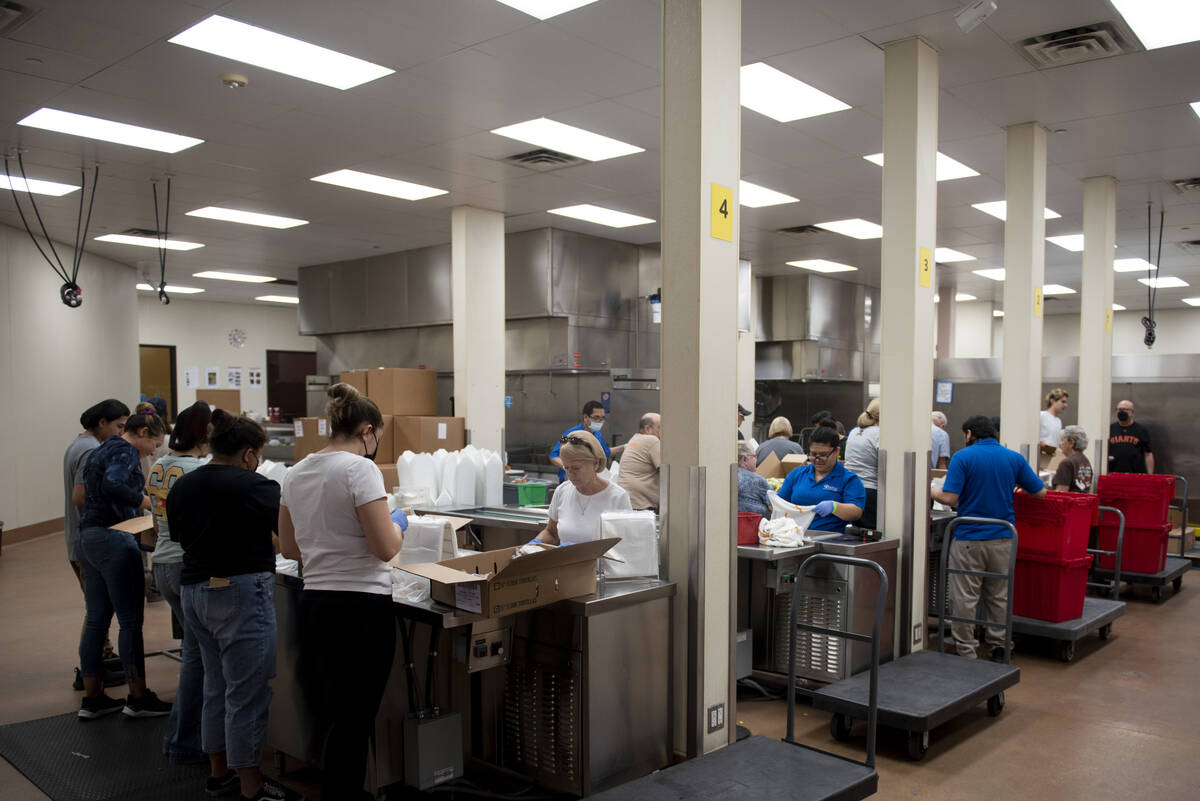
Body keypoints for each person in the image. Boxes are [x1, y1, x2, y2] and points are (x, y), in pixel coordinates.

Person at [279, 384, 404, 801]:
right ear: (367, 430)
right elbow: (385, 548)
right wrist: (400, 525)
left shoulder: (296, 471)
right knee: (356, 716)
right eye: (378, 438)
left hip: (315, 602)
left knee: (335, 711)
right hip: (361, 607)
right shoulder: (359, 470)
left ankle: (337, 790)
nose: (375, 446)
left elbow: (290, 548)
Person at [169, 411, 294, 801]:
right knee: (247, 693)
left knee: (215, 685)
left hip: (194, 592)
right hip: (240, 592)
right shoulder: (255, 485)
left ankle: (219, 772)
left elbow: (182, 535)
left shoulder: (184, 486)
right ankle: (251, 785)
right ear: (247, 453)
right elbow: (288, 540)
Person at [75, 409, 172, 719]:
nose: (154, 451)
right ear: (142, 432)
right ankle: (138, 695)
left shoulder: (103, 448)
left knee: (96, 619)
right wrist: (149, 503)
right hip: (114, 538)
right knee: (130, 621)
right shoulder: (125, 450)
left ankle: (93, 698)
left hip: (88, 538)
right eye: (154, 444)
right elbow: (114, 485)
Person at [931, 415, 1045, 661]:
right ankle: (1000, 645)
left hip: (969, 537)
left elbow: (950, 498)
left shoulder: (963, 457)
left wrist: (931, 490)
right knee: (999, 595)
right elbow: (1040, 491)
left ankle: (966, 649)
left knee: (965, 597)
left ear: (970, 433)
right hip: (1004, 538)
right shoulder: (1013, 458)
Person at [147, 401, 211, 765]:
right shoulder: (197, 471)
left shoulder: (159, 465)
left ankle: (184, 736)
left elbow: (157, 519)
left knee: (193, 653)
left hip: (161, 562)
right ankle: (185, 740)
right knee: (197, 659)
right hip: (185, 565)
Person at [64, 398, 129, 689]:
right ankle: (90, 670)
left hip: (81, 538)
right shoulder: (91, 450)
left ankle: (100, 662)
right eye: (118, 426)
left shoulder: (78, 445)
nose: (119, 433)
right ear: (101, 422)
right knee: (97, 611)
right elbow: (81, 496)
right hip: (91, 539)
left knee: (98, 610)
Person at [535, 430, 631, 545]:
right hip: (568, 562)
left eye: (576, 468)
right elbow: (551, 533)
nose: (570, 474)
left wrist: (584, 553)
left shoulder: (617, 497)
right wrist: (535, 543)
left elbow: (623, 545)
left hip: (599, 563)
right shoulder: (562, 491)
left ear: (595, 463)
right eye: (566, 468)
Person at [777, 420, 865, 533]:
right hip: (795, 536)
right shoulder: (797, 475)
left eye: (823, 455)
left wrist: (834, 507)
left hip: (831, 539)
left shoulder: (849, 479)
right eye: (813, 454)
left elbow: (856, 512)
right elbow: (781, 504)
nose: (817, 460)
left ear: (837, 451)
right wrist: (772, 500)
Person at [549, 401, 623, 482]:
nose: (599, 421)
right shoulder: (571, 434)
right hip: (570, 480)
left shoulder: (597, 435)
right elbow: (554, 456)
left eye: (602, 418)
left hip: (589, 480)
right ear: (585, 417)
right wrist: (570, 467)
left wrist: (625, 447)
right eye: (596, 418)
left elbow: (606, 452)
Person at [844, 399, 880, 529]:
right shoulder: (880, 434)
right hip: (870, 492)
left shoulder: (854, 431)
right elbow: (888, 465)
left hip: (849, 488)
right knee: (869, 536)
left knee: (856, 534)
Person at [615, 412, 661, 511]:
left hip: (627, 501)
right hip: (641, 504)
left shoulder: (634, 439)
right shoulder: (652, 440)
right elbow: (665, 470)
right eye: (659, 428)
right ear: (648, 429)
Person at [1108, 400, 1154, 474]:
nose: (1122, 412)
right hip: (1113, 474)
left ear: (1132, 412)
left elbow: (1148, 454)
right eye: (1119, 409)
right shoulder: (1109, 429)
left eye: (1125, 410)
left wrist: (1150, 475)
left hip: (1136, 474)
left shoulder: (1141, 430)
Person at [1053, 426, 1094, 493]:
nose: (1060, 444)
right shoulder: (1085, 461)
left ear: (1071, 442)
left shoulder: (1066, 463)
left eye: (1062, 440)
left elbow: (1061, 493)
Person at [736, 441, 771, 518]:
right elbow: (774, 503)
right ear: (744, 459)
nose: (756, 459)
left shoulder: (726, 477)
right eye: (754, 456)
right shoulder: (757, 480)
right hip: (754, 525)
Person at [1039, 389, 1069, 469]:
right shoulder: (1042, 415)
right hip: (1041, 456)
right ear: (1052, 401)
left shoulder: (1058, 421)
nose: (1065, 405)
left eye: (1066, 402)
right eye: (1062, 402)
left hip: (1053, 457)